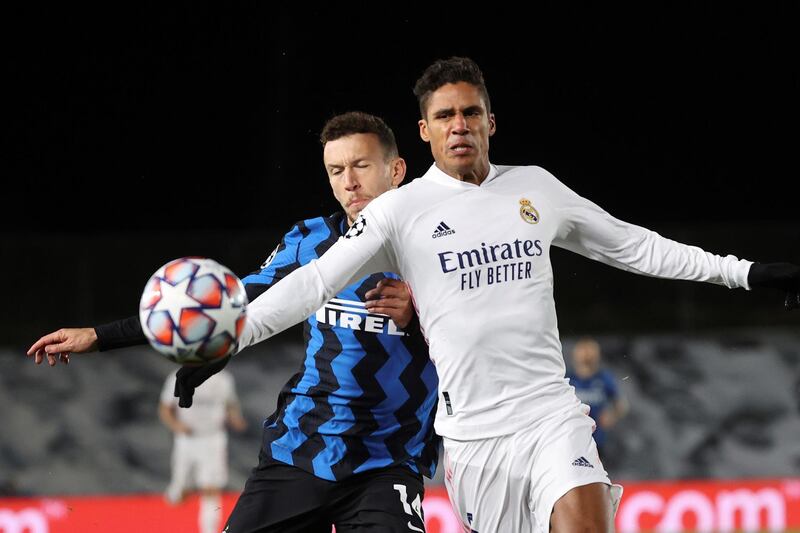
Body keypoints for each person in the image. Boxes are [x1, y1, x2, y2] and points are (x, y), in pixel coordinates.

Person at [216, 57, 799, 532]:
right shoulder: (400, 210)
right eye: (445, 115)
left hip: (550, 415)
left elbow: (633, 246)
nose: (459, 125)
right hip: (472, 441)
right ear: (425, 131)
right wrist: (221, 343)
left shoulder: (535, 189)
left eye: (471, 112)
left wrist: (743, 273)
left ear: (492, 121)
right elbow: (312, 284)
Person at [27, 112, 439, 532]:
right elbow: (223, 305)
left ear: (396, 169)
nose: (349, 181)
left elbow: (491, 326)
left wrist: (422, 310)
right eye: (336, 170)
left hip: (387, 463)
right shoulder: (310, 241)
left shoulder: (438, 246)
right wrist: (99, 337)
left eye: (361, 165)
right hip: (301, 450)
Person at [159, 368, 246, 533]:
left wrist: (236, 419)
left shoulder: (224, 379)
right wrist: (177, 426)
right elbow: (165, 409)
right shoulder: (179, 376)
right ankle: (179, 488)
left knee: (210, 487)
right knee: (179, 494)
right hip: (187, 440)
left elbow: (230, 404)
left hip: (213, 439)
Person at [567, 337, 628, 459]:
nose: (587, 356)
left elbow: (622, 405)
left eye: (590, 351)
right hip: (572, 440)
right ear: (575, 355)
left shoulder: (603, 378)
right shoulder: (567, 379)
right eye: (583, 351)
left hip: (597, 441)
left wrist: (612, 416)